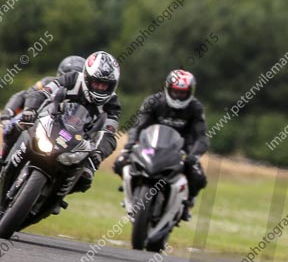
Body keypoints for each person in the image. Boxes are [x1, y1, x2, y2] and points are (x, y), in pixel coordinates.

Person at [2, 51, 121, 193]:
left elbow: (109, 134)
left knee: (86, 179)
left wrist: (99, 154)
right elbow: (41, 93)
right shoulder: (71, 79)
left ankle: (55, 198)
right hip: (52, 124)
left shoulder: (113, 104)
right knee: (17, 125)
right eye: (97, 83)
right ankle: (3, 157)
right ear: (87, 77)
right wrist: (30, 110)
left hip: (79, 141)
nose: (100, 88)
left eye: (105, 85)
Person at [114, 69, 208, 221]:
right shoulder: (154, 102)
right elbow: (138, 126)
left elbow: (202, 137)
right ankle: (132, 187)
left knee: (199, 177)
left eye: (183, 93)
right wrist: (130, 145)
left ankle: (187, 202)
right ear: (168, 88)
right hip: (151, 145)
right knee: (119, 163)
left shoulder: (196, 108)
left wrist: (194, 155)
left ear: (191, 92)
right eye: (175, 92)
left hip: (181, 150)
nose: (178, 96)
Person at [0, 55, 85, 135]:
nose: (73, 84)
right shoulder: (49, 82)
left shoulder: (86, 98)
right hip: (32, 122)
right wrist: (7, 114)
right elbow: (24, 95)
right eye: (70, 78)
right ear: (61, 76)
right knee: (11, 128)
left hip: (59, 134)